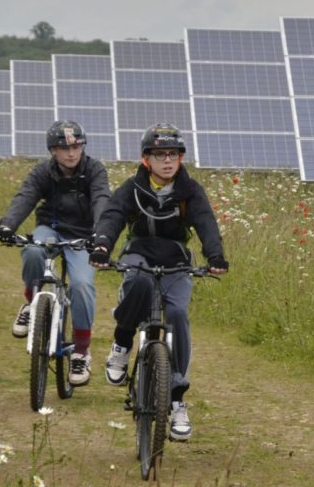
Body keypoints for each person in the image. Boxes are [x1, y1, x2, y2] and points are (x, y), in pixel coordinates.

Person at [89, 123, 229, 441]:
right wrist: (101, 246)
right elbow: (112, 216)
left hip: (177, 260)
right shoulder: (132, 188)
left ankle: (177, 399)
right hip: (138, 253)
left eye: (174, 154)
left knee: (178, 314)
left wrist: (215, 256)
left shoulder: (190, 191)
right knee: (136, 284)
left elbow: (206, 222)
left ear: (180, 159)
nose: (167, 160)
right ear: (145, 159)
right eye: (159, 154)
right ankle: (123, 344)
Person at [0, 121, 111, 386]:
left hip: (84, 234)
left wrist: (101, 232)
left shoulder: (94, 170)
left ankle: (81, 352)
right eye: (63, 148)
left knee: (81, 284)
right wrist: (7, 224)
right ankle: (30, 302)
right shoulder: (42, 172)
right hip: (52, 228)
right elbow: (25, 197)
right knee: (34, 250)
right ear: (52, 151)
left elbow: (102, 199)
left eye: (76, 146)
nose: (71, 153)